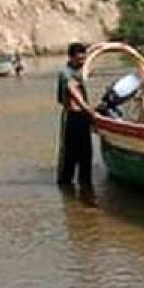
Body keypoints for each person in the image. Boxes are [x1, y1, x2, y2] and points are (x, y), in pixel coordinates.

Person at [56, 42, 93, 192]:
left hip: (84, 117)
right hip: (72, 117)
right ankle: (66, 190)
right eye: (78, 59)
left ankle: (86, 188)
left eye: (84, 59)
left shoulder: (82, 70)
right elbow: (73, 92)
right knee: (69, 156)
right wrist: (89, 110)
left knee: (86, 154)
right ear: (70, 58)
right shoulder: (66, 73)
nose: (82, 62)